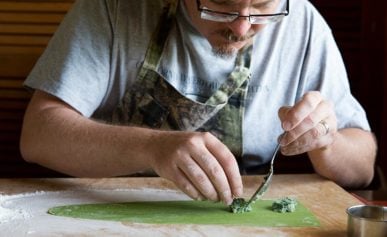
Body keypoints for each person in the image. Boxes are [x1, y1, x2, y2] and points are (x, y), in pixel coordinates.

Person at [20, 0, 377, 205]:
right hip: (115, 206)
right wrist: (152, 148)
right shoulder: (114, 7)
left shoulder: (303, 23)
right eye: (221, 5)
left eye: (262, 7)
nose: (241, 28)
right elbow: (38, 134)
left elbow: (362, 167)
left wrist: (326, 141)